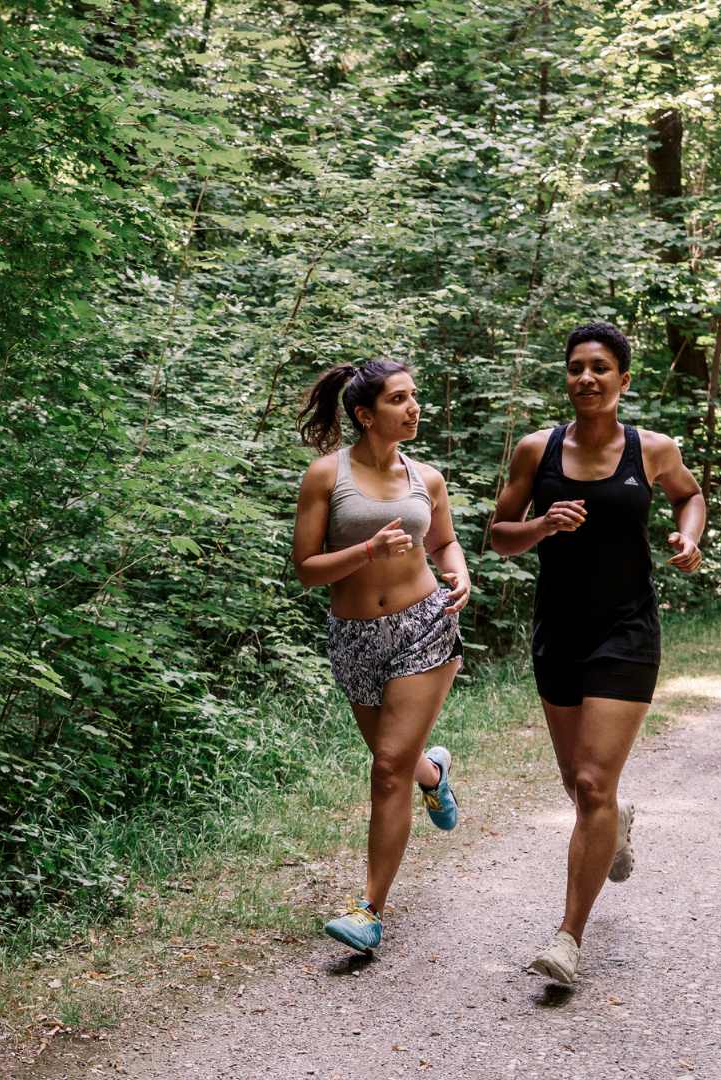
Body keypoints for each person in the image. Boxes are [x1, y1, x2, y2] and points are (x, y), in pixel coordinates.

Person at [487, 321, 706, 985]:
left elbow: (689, 495)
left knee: (590, 784)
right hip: (559, 631)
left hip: (627, 630)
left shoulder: (654, 449)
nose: (586, 377)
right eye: (577, 367)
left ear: (623, 380)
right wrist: (541, 525)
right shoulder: (536, 451)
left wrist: (688, 538)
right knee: (581, 787)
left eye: (600, 368)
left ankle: (567, 939)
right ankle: (617, 824)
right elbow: (498, 535)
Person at [291, 359, 471, 954]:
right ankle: (434, 772)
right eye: (399, 399)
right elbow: (307, 570)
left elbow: (443, 541)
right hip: (354, 637)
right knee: (398, 762)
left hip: (424, 626)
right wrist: (367, 549)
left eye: (415, 396)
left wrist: (458, 574)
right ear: (366, 415)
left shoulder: (429, 479)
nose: (414, 407)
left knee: (386, 768)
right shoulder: (325, 476)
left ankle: (369, 909)